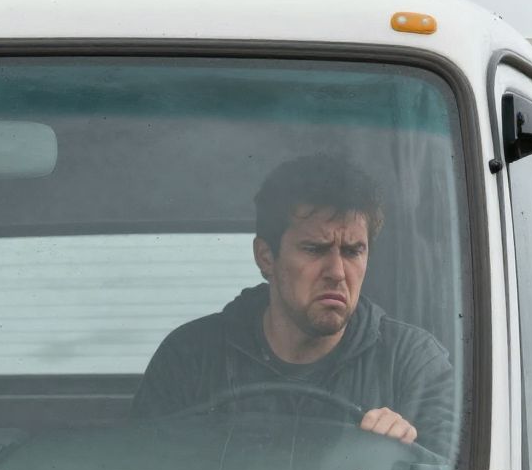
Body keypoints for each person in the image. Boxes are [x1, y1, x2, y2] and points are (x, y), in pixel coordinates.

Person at [132, 154, 455, 454]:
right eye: (315, 249)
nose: (337, 273)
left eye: (353, 251)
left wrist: (400, 457)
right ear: (266, 257)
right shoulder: (190, 357)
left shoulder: (414, 364)